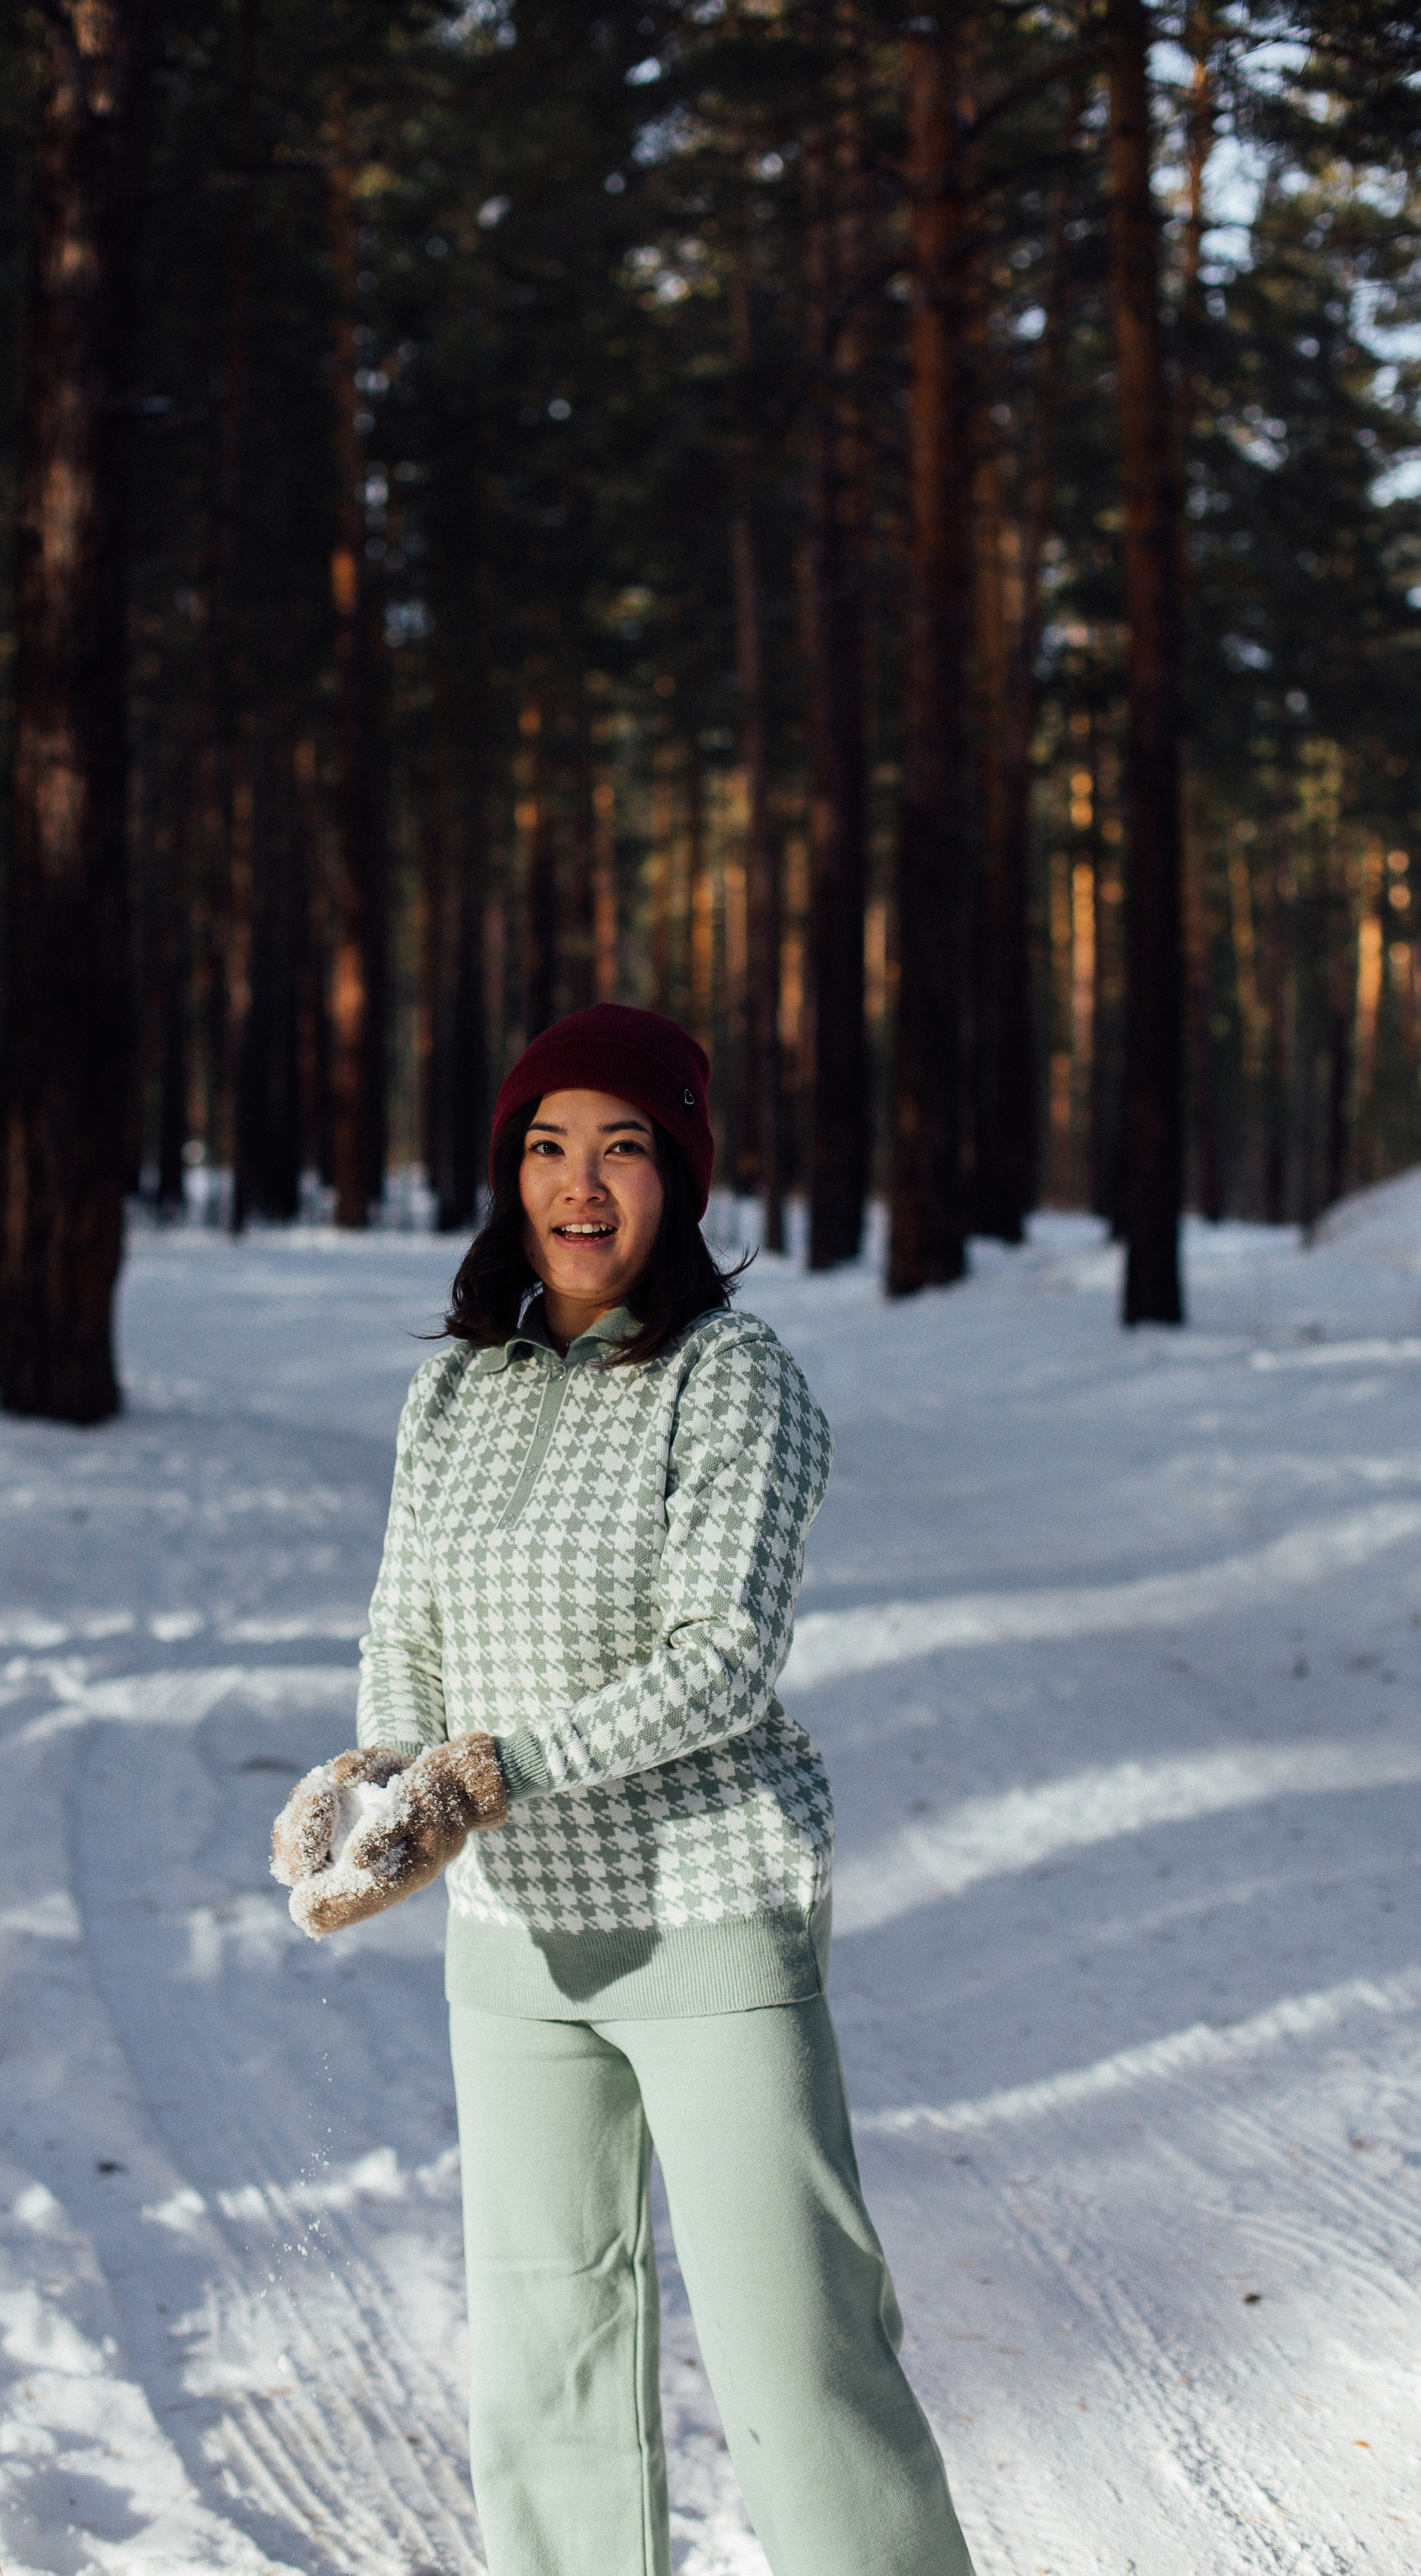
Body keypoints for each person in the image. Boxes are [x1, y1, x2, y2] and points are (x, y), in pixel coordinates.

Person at [272, 1003, 974, 2576]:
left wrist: (496, 1770)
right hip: (511, 1942)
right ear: (507, 1172)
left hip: (703, 1920)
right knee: (546, 2377)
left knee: (800, 2368)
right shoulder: (457, 1392)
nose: (577, 1185)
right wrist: (388, 1776)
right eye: (545, 1147)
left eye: (620, 1148)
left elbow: (720, 1656)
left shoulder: (731, 1379)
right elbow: (403, 1628)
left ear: (680, 1178)